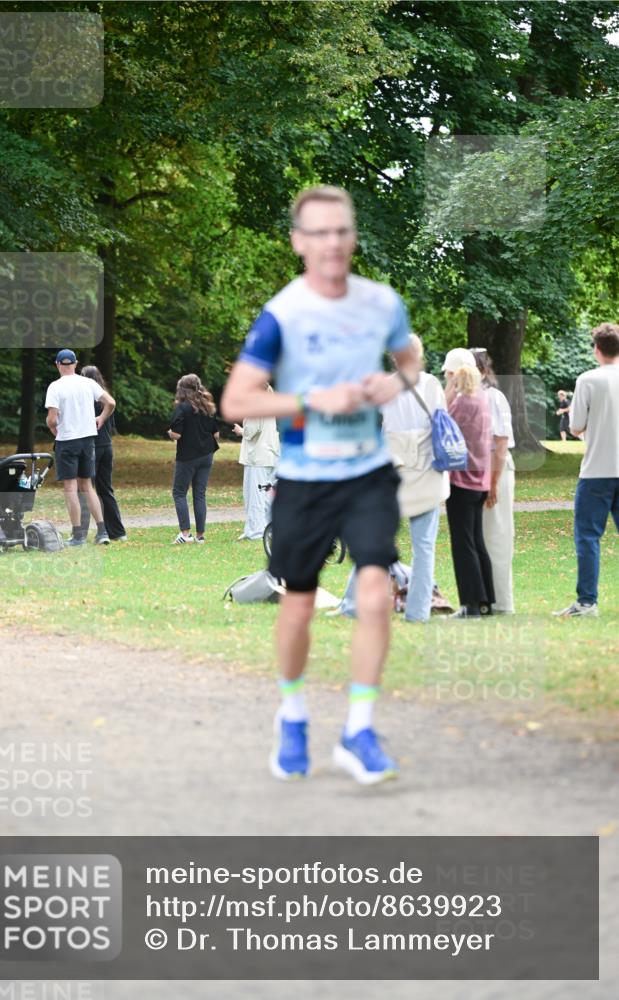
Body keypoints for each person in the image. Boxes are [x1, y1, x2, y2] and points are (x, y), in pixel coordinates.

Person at [221, 185, 411, 785]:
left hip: (367, 474)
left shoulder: (382, 303)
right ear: (300, 242)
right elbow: (236, 399)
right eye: (319, 233)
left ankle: (358, 729)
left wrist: (396, 381)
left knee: (376, 587)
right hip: (304, 479)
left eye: (341, 231)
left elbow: (411, 357)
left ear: (352, 236)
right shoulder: (283, 312)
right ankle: (294, 714)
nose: (332, 242)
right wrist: (309, 400)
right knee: (298, 604)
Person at [381, 334, 449, 623]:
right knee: (424, 546)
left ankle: (355, 603)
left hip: (395, 471)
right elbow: (442, 423)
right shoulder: (431, 385)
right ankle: (418, 611)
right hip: (426, 470)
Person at [554, 323, 619, 618]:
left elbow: (575, 425)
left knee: (588, 536)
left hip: (597, 470)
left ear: (596, 348)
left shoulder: (588, 380)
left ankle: (587, 602)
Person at [44, 348, 116, 546]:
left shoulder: (55, 387)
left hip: (67, 441)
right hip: (88, 440)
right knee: (87, 486)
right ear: (75, 364)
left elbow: (52, 418)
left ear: (58, 365)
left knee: (71, 487)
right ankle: (102, 532)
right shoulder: (88, 383)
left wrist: (53, 428)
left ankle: (77, 535)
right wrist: (101, 419)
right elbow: (110, 402)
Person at [443, 350, 494, 618]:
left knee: (463, 545)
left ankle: (470, 603)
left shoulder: (462, 402)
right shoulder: (483, 399)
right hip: (480, 479)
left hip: (461, 481)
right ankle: (485, 601)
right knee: (477, 540)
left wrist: (449, 389)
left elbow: (440, 420)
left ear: (454, 375)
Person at [470, 348, 515, 615]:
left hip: (493, 472)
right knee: (479, 540)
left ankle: (501, 603)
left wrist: (493, 483)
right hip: (475, 474)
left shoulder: (493, 398)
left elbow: (500, 443)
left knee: (496, 537)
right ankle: (484, 599)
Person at [168, 373, 220, 544]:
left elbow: (176, 434)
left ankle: (185, 534)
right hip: (207, 455)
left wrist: (169, 433)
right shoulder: (208, 407)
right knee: (199, 494)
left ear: (182, 390)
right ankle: (200, 536)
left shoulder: (182, 408)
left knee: (179, 492)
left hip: (187, 456)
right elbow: (217, 434)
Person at [78, 365, 127, 542]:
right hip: (107, 446)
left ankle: (81, 533)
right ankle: (118, 532)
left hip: (92, 447)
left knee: (84, 489)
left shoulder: (85, 400)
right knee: (106, 489)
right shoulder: (106, 400)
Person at [232, 385, 280, 540]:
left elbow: (252, 430)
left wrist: (241, 431)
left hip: (258, 457)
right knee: (267, 495)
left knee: (255, 495)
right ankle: (266, 528)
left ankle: (256, 531)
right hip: (270, 454)